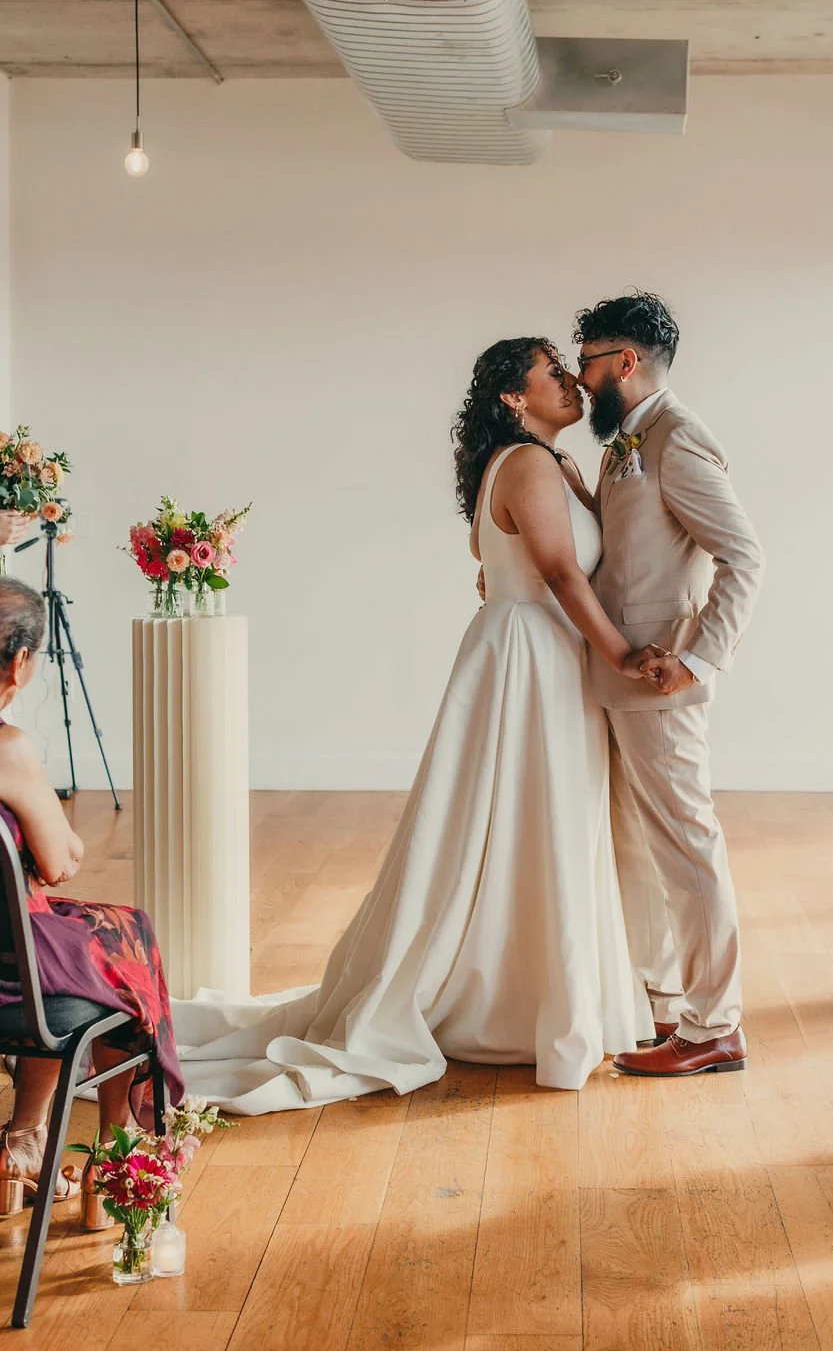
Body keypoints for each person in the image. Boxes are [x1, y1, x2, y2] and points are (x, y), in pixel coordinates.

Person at [171, 339, 665, 1113]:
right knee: (531, 821)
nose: (572, 382)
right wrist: (626, 655)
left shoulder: (557, 465)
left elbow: (544, 562)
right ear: (513, 397)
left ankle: (525, 989)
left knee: (538, 824)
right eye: (553, 373)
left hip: (541, 652)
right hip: (529, 657)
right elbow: (564, 574)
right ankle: (511, 1000)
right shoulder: (530, 465)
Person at [573, 292, 765, 1078]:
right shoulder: (627, 439)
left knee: (687, 850)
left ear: (626, 361)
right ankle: (659, 1005)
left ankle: (715, 1025)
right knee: (639, 852)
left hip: (661, 683)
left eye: (587, 362)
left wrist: (699, 660)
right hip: (619, 682)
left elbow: (745, 557)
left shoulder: (678, 440)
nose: (581, 379)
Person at [0, 578, 184, 1226]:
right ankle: (114, 1156)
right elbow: (58, 860)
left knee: (95, 937)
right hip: (11, 984)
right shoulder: (9, 749)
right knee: (127, 950)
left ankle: (26, 1134)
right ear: (19, 664)